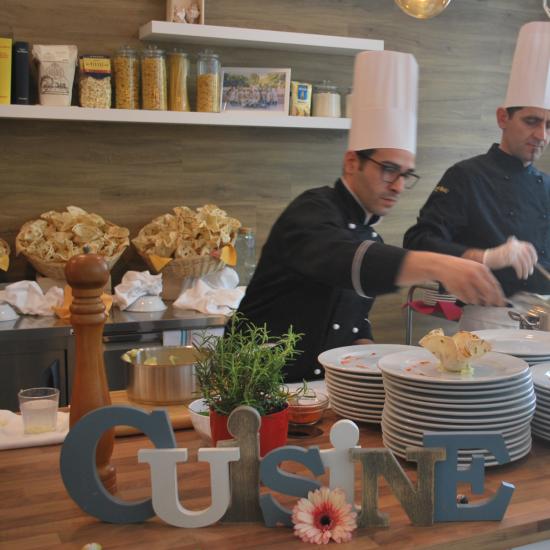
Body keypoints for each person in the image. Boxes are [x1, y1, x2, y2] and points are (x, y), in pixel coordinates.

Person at [237, 50, 505, 382]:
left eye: (406, 175)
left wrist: (376, 363)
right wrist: (440, 264)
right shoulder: (310, 211)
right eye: (389, 169)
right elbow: (344, 260)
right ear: (352, 163)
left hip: (321, 393)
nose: (397, 185)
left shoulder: (371, 238)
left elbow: (350, 320)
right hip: (258, 387)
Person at [403, 21, 550, 330]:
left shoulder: (547, 185)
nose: (542, 135)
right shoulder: (466, 176)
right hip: (492, 316)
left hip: (545, 316)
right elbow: (418, 241)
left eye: (549, 125)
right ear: (502, 118)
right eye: (532, 121)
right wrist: (485, 257)